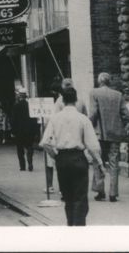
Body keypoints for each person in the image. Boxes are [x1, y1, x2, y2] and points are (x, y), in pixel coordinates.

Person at [40, 86, 105, 226]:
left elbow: (44, 142)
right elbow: (93, 146)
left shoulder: (55, 118)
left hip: (62, 159)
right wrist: (99, 163)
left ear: (62, 100)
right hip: (78, 158)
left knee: (67, 196)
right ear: (76, 101)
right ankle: (79, 228)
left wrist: (55, 155)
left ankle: (70, 224)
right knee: (80, 197)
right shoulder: (83, 119)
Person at [89, 72, 129, 202]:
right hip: (115, 134)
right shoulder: (118, 95)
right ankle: (113, 193)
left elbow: (94, 113)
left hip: (100, 134)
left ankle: (100, 191)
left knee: (98, 161)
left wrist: (90, 126)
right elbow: (126, 115)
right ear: (109, 81)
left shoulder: (94, 93)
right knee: (114, 163)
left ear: (99, 81)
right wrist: (121, 126)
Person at [11, 86, 38, 171]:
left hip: (19, 131)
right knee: (29, 147)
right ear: (26, 96)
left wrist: (13, 131)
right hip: (29, 131)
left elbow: (13, 120)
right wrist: (35, 131)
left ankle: (22, 166)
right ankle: (30, 163)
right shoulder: (31, 106)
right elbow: (34, 119)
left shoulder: (16, 106)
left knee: (20, 149)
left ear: (19, 96)